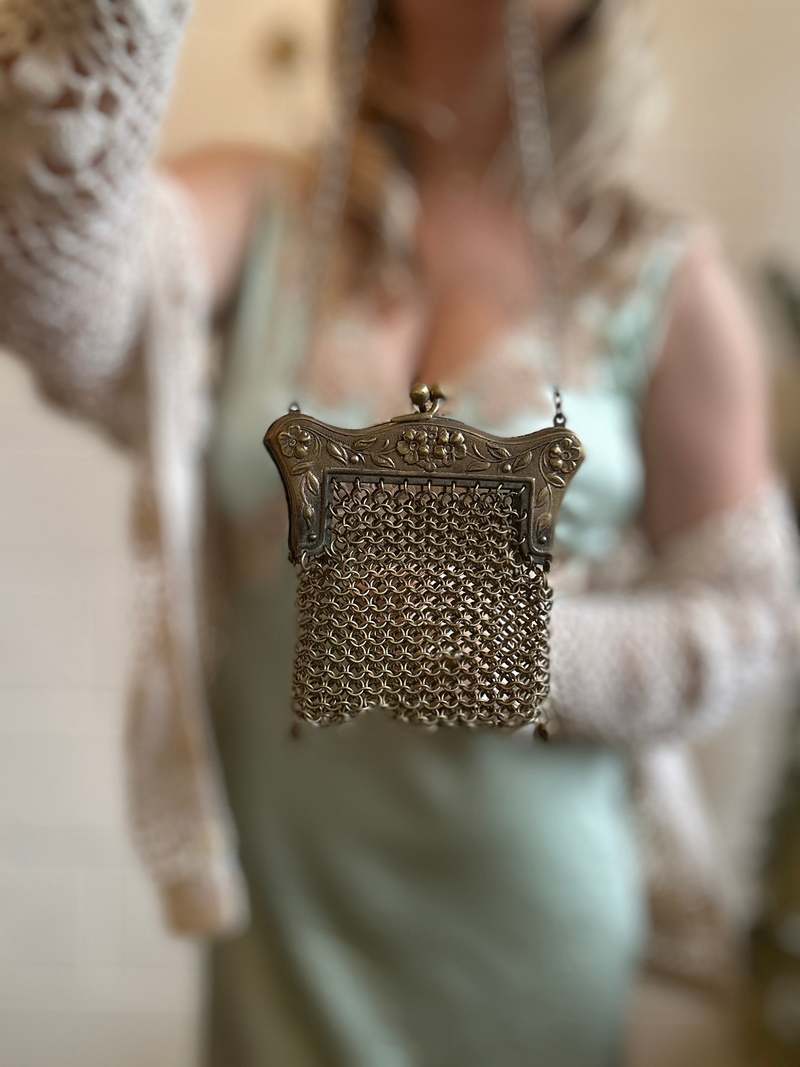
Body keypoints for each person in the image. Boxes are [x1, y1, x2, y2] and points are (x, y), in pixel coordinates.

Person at [0, 1, 797, 1064]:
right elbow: (53, 295)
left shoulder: (656, 273)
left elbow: (752, 614)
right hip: (284, 929)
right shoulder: (267, 210)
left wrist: (519, 648)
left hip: (527, 941)